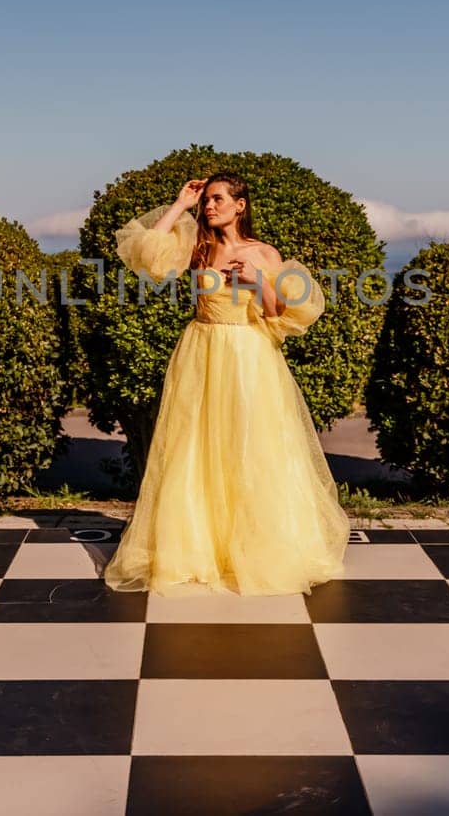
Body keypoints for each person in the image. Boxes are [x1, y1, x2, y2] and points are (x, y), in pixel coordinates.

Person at [100, 172, 350, 597]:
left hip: (249, 356)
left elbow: (279, 317)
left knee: (252, 448)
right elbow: (146, 254)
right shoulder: (198, 247)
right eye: (207, 200)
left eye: (218, 199)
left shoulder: (265, 253)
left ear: (241, 205)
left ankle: (256, 549)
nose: (210, 206)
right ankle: (198, 550)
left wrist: (256, 282)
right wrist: (180, 204)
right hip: (201, 350)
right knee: (193, 446)